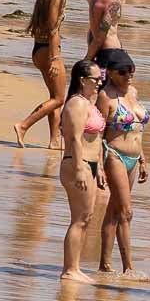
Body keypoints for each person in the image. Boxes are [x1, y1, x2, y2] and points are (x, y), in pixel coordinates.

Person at [96, 49, 150, 280]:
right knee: (126, 212)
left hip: (134, 157)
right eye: (123, 72)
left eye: (131, 71)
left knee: (114, 212)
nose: (129, 76)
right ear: (110, 72)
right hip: (114, 154)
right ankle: (129, 268)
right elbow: (98, 133)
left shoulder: (133, 92)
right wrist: (98, 165)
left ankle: (105, 264)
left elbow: (138, 128)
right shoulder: (105, 97)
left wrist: (143, 157)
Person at [57, 60, 107, 282]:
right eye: (95, 79)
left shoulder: (88, 103)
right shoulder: (76, 104)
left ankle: (75, 267)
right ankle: (69, 269)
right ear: (82, 80)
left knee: (86, 217)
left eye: (100, 79)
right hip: (77, 163)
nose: (99, 83)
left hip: (90, 164)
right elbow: (75, 138)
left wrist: (101, 167)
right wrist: (79, 168)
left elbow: (95, 139)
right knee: (79, 218)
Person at [14, 0, 70, 149]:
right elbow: (53, 30)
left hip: (40, 48)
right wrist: (55, 58)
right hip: (48, 51)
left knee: (54, 96)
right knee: (59, 98)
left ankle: (54, 140)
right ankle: (23, 125)